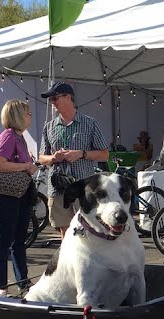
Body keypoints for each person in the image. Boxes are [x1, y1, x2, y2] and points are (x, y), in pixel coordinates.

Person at [36, 82, 110, 239]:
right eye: (51, 100)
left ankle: (88, 262)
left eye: (55, 98)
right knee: (66, 232)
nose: (52, 103)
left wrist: (81, 154)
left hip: (83, 188)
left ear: (68, 97)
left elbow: (104, 154)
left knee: (88, 230)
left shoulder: (90, 124)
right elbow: (41, 157)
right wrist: (53, 158)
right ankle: (70, 263)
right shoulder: (49, 127)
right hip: (58, 188)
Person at [0, 99, 39, 296]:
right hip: (7, 194)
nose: (30, 117)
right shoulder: (9, 137)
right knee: (4, 240)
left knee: (18, 240)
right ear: (18, 116)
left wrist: (29, 165)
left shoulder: (20, 137)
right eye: (27, 113)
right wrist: (26, 166)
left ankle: (22, 282)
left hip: (20, 193)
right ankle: (1, 286)